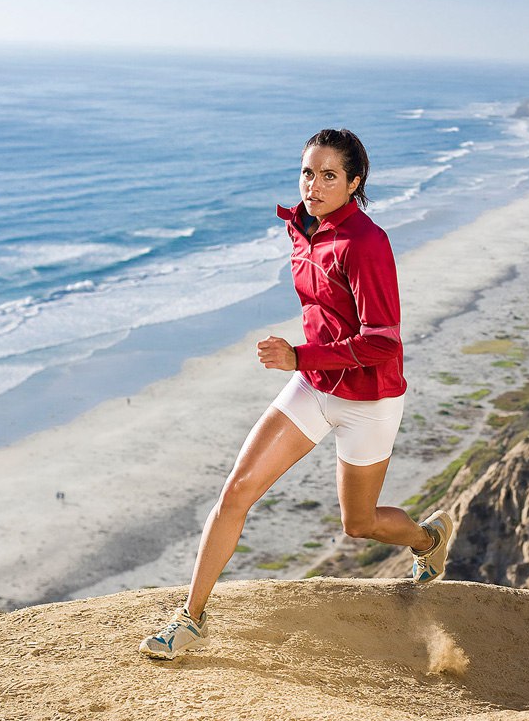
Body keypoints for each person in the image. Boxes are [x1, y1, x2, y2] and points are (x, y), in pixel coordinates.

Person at [139, 128, 453, 661]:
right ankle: (190, 619)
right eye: (308, 172)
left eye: (330, 175)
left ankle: (427, 540)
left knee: (360, 523)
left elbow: (381, 342)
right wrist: (304, 364)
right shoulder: (302, 229)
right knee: (237, 490)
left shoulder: (366, 243)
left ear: (355, 183)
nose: (314, 184)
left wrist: (298, 355)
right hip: (313, 385)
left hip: (367, 400)